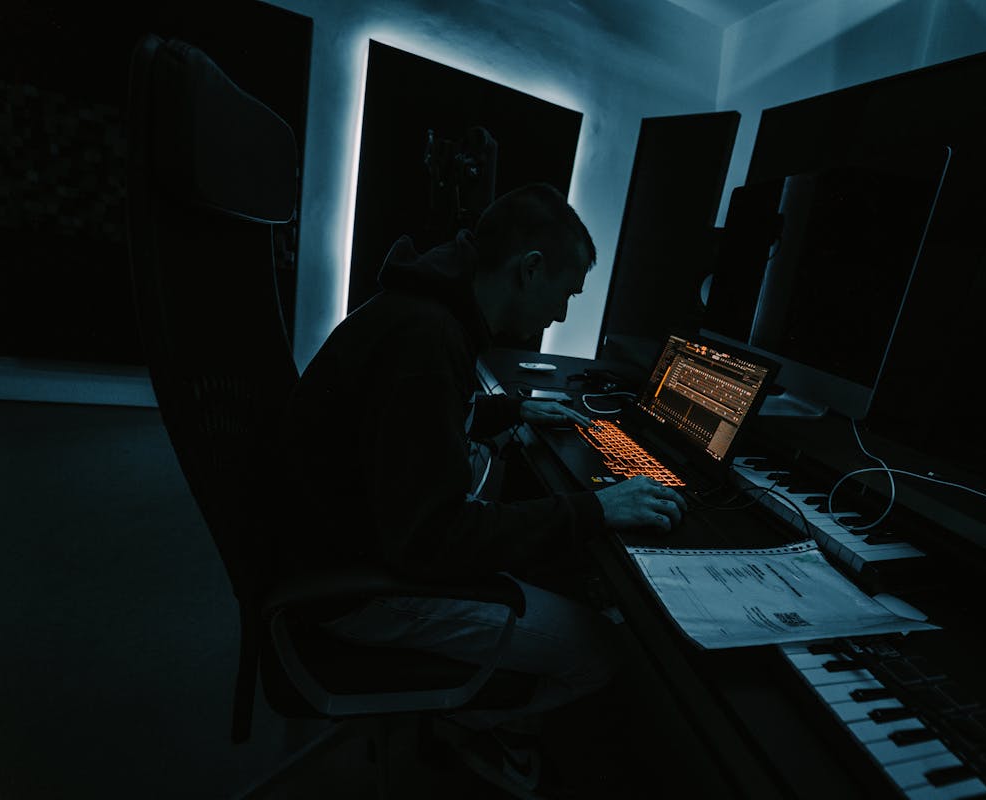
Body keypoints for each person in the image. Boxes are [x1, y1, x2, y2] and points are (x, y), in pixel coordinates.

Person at [277, 182, 687, 787]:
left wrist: (507, 412)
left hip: (331, 542)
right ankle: (471, 728)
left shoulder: (423, 311)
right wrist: (594, 510)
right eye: (566, 294)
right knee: (600, 650)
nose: (562, 315)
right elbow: (436, 538)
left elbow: (412, 426)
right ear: (530, 270)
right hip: (357, 585)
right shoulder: (427, 341)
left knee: (544, 538)